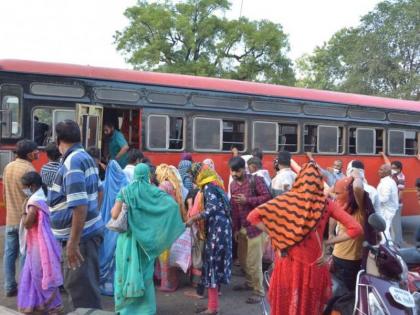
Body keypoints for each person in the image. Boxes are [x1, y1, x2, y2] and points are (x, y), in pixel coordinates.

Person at [247, 162, 363, 315]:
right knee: (308, 306)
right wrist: (327, 242)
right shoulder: (326, 204)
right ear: (319, 182)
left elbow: (253, 216)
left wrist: (277, 234)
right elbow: (356, 229)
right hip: (313, 264)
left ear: (299, 180)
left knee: (287, 304)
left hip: (287, 262)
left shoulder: (286, 200)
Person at [111, 163, 184, 315]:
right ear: (148, 176)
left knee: (124, 273)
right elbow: (172, 206)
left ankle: (125, 309)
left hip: (127, 241)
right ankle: (145, 309)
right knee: (145, 275)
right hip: (146, 243)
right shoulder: (154, 192)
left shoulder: (125, 191)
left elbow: (114, 215)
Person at [47, 120, 104, 309]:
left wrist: (73, 242)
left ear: (59, 140)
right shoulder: (85, 157)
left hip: (81, 240)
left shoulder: (73, 161)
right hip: (87, 235)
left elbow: (79, 206)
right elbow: (98, 192)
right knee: (86, 290)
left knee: (81, 295)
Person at [186, 164, 232, 315]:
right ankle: (213, 305)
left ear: (199, 175)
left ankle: (213, 308)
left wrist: (194, 218)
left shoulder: (208, 188)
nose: (193, 179)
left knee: (212, 266)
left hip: (217, 232)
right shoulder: (216, 185)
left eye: (193, 176)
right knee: (214, 267)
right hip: (222, 230)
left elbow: (212, 209)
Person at [17, 172, 63, 314]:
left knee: (39, 273)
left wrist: (23, 211)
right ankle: (37, 303)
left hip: (39, 244)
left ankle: (54, 305)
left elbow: (28, 224)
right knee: (35, 272)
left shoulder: (33, 202)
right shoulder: (43, 196)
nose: (23, 189)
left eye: (24, 186)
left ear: (32, 186)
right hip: (43, 241)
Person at [229, 156, 271, 304]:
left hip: (257, 228)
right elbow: (234, 208)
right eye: (232, 171)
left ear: (243, 169)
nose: (234, 174)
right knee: (244, 260)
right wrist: (235, 228)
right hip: (242, 228)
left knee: (254, 262)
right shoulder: (233, 185)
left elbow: (267, 198)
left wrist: (248, 200)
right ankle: (249, 283)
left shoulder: (255, 180)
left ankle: (258, 292)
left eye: (237, 171)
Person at [2, 139, 38, 297]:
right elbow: (33, 198)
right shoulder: (29, 169)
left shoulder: (8, 166)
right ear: (29, 154)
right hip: (24, 221)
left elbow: (5, 193)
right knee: (25, 254)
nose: (38, 153)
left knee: (9, 253)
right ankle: (24, 287)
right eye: (36, 151)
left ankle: (9, 286)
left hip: (11, 218)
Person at [98, 160, 128, 296]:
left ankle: (103, 282)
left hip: (105, 225)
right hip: (120, 228)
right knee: (118, 259)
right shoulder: (126, 186)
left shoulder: (104, 185)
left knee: (104, 252)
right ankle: (118, 285)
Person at [155, 164, 186, 292]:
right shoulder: (174, 184)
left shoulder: (163, 185)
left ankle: (165, 283)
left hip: (164, 224)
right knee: (171, 254)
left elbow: (159, 205)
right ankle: (172, 281)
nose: (156, 176)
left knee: (163, 255)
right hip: (174, 222)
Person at [380, 152, 405, 245]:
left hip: (396, 204)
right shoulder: (392, 174)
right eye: (392, 168)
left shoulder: (401, 177)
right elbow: (388, 163)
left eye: (394, 168)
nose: (392, 169)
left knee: (396, 225)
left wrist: (396, 204)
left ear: (399, 169)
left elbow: (401, 192)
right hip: (391, 204)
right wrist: (383, 155)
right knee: (389, 224)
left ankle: (398, 243)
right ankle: (390, 242)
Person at [377, 164, 399, 241]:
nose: (378, 171)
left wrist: (373, 198)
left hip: (387, 211)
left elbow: (384, 198)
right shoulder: (388, 181)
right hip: (387, 210)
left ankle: (387, 248)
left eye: (381, 170)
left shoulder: (387, 183)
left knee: (384, 231)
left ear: (387, 172)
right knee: (386, 230)